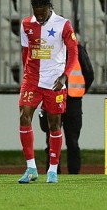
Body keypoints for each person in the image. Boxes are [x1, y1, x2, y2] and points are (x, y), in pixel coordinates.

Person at [17, 0, 79, 184]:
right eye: (37, 13)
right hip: (32, 80)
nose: (40, 17)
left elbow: (74, 53)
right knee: (24, 115)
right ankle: (31, 168)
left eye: (43, 13)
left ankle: (53, 169)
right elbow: (25, 52)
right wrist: (28, 75)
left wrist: (65, 76)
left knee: (54, 124)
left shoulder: (63, 24)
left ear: (49, 8)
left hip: (55, 81)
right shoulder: (26, 24)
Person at [38, 37, 95, 174]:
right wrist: (80, 91)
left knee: (54, 139)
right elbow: (89, 74)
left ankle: (53, 172)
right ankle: (73, 174)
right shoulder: (78, 50)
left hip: (57, 99)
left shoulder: (50, 50)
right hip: (71, 101)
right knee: (71, 142)